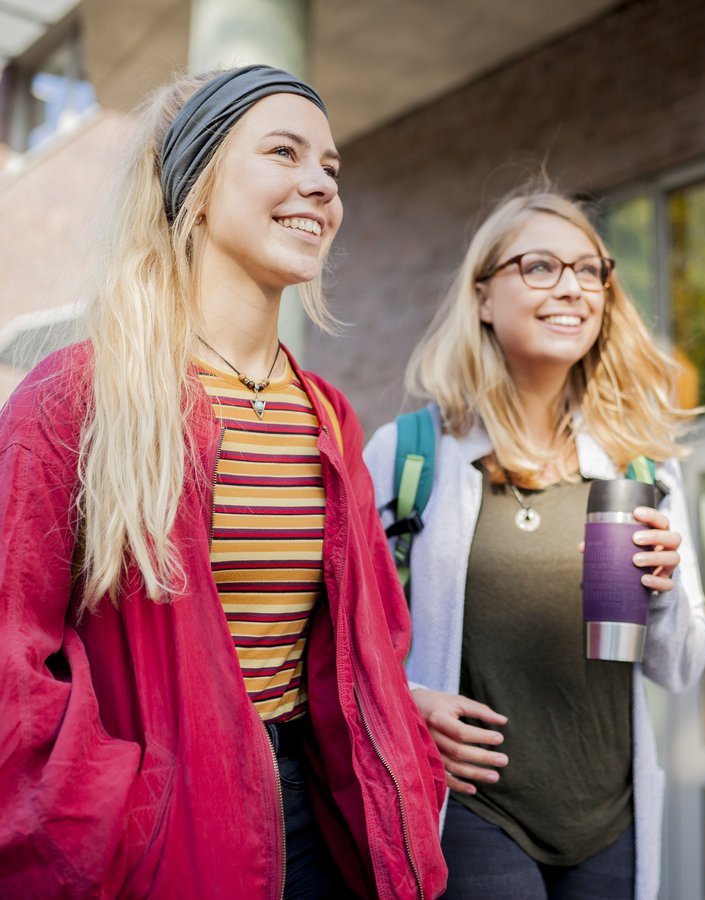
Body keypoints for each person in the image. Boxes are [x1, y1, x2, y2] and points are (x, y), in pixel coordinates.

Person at [0, 65, 447, 899]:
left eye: (331, 168)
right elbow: (8, 655)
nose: (319, 184)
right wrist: (109, 814)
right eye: (285, 152)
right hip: (162, 842)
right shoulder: (74, 399)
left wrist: (402, 733)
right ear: (197, 188)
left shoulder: (328, 416)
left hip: (316, 827)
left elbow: (366, 640)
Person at [364, 189, 705, 899]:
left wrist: (668, 588)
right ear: (484, 296)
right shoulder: (409, 456)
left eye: (590, 271)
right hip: (472, 809)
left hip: (609, 821)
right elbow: (345, 641)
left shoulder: (639, 466)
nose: (573, 289)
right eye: (542, 266)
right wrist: (409, 703)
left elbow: (681, 669)